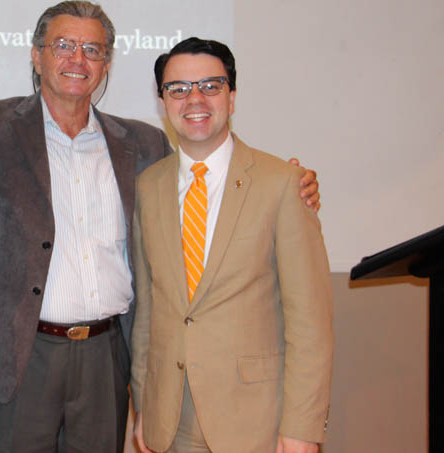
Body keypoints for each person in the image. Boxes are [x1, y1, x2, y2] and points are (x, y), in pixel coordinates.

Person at [0, 1, 321, 453]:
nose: (76, 59)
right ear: (37, 57)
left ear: (106, 65)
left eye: (92, 49)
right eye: (62, 45)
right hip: (19, 357)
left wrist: (287, 180)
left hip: (107, 358)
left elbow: (204, 163)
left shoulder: (145, 144)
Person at [131, 38, 333, 453]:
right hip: (170, 420)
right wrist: (143, 408)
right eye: (179, 88)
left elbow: (310, 321)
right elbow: (149, 312)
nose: (194, 99)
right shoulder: (148, 187)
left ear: (232, 95)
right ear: (162, 100)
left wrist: (302, 427)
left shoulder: (282, 183)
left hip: (257, 420)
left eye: (211, 85)